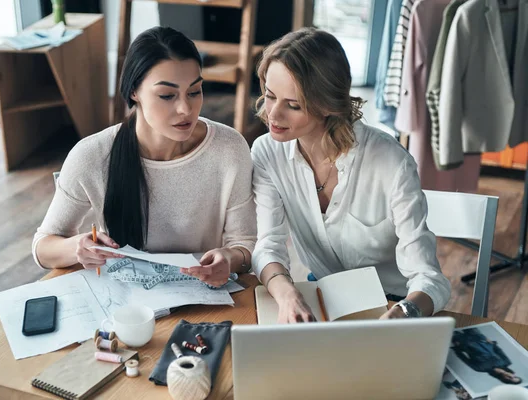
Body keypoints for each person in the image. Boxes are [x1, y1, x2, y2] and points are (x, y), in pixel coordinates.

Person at [250, 27, 451, 323]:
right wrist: (286, 294)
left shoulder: (391, 163)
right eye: (269, 96)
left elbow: (429, 278)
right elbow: (268, 246)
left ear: (328, 105)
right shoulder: (267, 152)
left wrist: (403, 313)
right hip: (322, 299)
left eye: (293, 105)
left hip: (392, 303)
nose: (273, 115)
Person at [32, 27, 256, 288]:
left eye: (194, 92)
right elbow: (43, 247)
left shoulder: (229, 149)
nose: (185, 109)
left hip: (205, 293)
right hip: (125, 300)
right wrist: (77, 247)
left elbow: (245, 244)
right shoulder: (92, 156)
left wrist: (228, 258)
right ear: (134, 92)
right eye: (167, 95)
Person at [451, 328, 523, 385]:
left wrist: (457, 348)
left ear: (505, 380)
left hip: (464, 343)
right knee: (467, 322)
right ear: (514, 374)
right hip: (479, 337)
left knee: (450, 329)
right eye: (514, 377)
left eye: (510, 380)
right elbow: (498, 350)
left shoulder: (480, 369)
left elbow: (464, 359)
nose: (510, 377)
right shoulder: (506, 362)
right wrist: (489, 341)